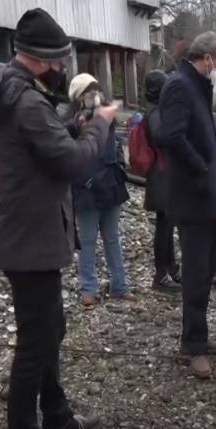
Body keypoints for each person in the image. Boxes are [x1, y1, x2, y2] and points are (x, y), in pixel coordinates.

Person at [0, 8, 117, 429]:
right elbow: (73, 164)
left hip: (25, 232)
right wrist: (99, 127)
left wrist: (73, 127)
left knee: (50, 329)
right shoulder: (28, 101)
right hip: (31, 237)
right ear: (42, 59)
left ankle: (55, 416)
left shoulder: (10, 91)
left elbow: (42, 145)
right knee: (36, 343)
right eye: (59, 59)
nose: (62, 68)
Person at [156, 31, 216, 380]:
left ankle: (196, 337)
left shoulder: (196, 86)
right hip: (192, 197)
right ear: (207, 58)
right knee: (196, 274)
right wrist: (201, 166)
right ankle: (194, 347)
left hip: (205, 197)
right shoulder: (179, 86)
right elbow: (170, 135)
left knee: (203, 272)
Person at [66, 74, 131, 307]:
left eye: (95, 88)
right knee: (88, 241)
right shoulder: (71, 124)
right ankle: (88, 290)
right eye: (87, 91)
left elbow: (116, 150)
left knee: (113, 239)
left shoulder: (107, 119)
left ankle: (120, 286)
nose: (93, 94)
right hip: (86, 190)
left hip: (111, 186)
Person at [141, 69, 182, 293]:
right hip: (161, 174)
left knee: (167, 224)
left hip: (163, 173)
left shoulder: (156, 110)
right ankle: (161, 274)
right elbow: (160, 136)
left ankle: (171, 269)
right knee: (164, 227)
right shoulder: (155, 112)